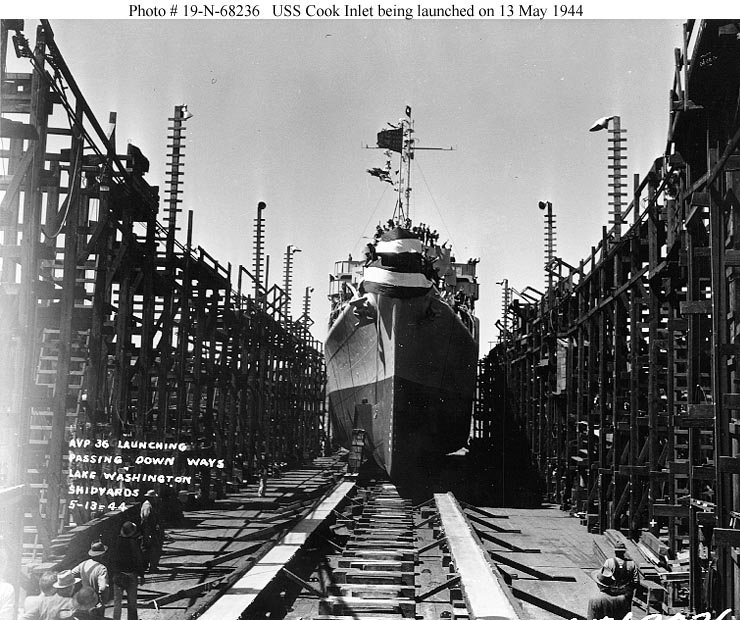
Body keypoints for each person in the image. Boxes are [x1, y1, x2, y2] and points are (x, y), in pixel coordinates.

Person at [111, 522, 145, 620]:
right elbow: (138, 560)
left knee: (117, 604)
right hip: (131, 576)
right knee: (132, 603)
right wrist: (141, 575)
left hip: (118, 576)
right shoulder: (133, 543)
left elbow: (111, 559)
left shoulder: (115, 542)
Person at [70, 541, 109, 617]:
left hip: (84, 598)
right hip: (95, 600)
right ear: (102, 554)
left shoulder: (83, 564)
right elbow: (103, 588)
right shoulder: (101, 568)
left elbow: (72, 573)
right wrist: (103, 601)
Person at [139, 490, 163, 572]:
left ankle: (146, 566)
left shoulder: (147, 504)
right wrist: (149, 532)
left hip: (148, 529)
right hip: (149, 530)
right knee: (153, 548)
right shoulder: (148, 506)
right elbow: (146, 519)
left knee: (148, 548)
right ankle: (151, 567)